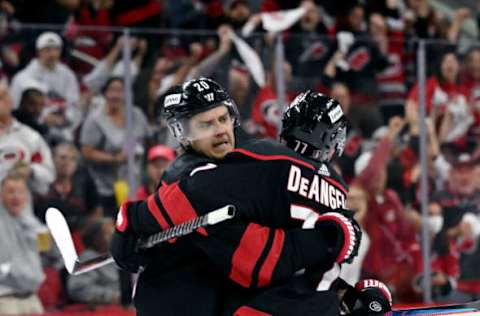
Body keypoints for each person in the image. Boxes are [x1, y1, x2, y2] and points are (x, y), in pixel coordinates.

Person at [110, 78, 390, 315]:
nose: (220, 130)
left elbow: (286, 268)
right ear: (182, 134)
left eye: (223, 119)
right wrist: (327, 240)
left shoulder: (249, 164)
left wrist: (346, 295)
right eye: (206, 125)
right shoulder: (194, 176)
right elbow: (263, 259)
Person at [0, 173, 45, 315]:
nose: (16, 196)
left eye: (20, 192)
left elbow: (48, 249)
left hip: (32, 298)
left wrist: (28, 221)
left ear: (27, 196)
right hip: (6, 300)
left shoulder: (33, 223)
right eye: (10, 191)